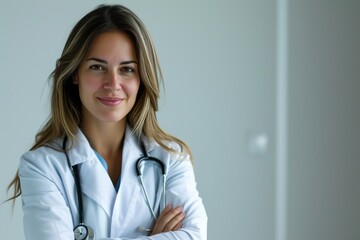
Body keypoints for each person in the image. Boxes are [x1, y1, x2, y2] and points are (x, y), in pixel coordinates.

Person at [7, 4, 207, 240]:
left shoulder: (170, 159)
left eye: (127, 69)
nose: (113, 83)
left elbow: (194, 236)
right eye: (97, 67)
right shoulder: (42, 167)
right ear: (74, 73)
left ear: (142, 77)